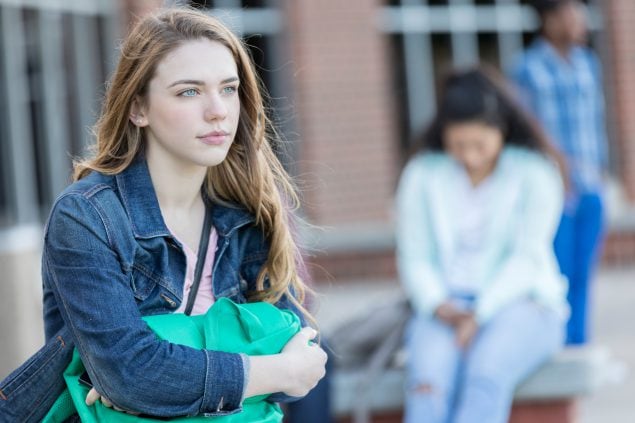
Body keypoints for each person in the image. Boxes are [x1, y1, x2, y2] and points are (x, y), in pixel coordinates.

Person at [0, 7, 326, 422]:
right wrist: (269, 369)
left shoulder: (248, 211)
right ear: (138, 108)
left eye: (228, 89)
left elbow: (307, 360)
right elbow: (132, 374)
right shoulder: (88, 218)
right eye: (189, 91)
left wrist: (165, 371)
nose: (218, 111)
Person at [395, 66, 569, 423]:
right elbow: (414, 255)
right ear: (445, 135)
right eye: (459, 145)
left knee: (486, 376)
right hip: (443, 306)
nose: (470, 156)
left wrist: (480, 312)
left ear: (500, 131)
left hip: (523, 303)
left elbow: (528, 256)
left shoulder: (536, 172)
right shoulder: (422, 173)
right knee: (427, 385)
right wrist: (440, 305)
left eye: (480, 145)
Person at [509, 0, 608, 345]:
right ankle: (554, 345)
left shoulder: (588, 64)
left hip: (592, 186)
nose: (579, 22)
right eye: (570, 15)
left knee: (583, 273)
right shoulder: (526, 68)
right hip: (554, 192)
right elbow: (523, 131)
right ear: (549, 20)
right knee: (558, 273)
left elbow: (596, 125)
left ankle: (579, 344)